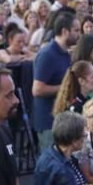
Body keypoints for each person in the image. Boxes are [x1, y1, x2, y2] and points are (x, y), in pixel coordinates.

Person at [33, 13, 79, 150]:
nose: (79, 34)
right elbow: (37, 89)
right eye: (76, 30)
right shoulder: (47, 54)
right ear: (65, 31)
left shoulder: (66, 53)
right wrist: (65, 87)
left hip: (62, 118)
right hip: (48, 122)